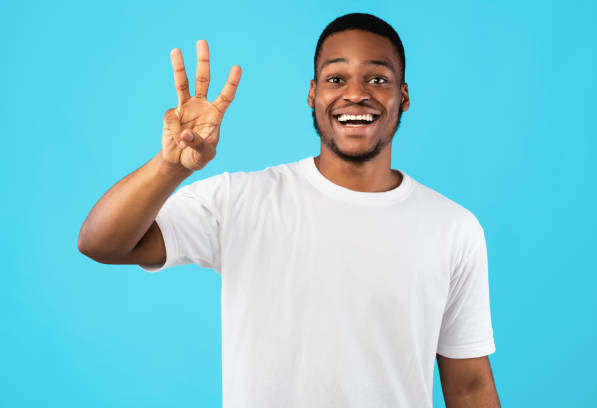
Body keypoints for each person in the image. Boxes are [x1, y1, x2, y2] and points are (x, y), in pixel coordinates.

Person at [78, 12, 500, 408]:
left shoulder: (453, 228)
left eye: (378, 78)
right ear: (313, 94)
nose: (356, 93)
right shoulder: (241, 200)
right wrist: (168, 166)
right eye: (336, 78)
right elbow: (102, 243)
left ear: (403, 96)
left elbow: (469, 385)